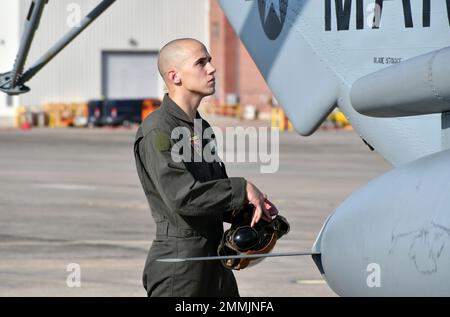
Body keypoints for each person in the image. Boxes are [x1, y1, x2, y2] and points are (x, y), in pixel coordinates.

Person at [133, 38, 278, 297]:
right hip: (181, 266)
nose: (212, 69)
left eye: (209, 61)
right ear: (174, 76)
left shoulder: (200, 129)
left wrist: (251, 210)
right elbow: (183, 196)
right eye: (201, 63)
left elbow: (213, 195)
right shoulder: (158, 129)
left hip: (215, 260)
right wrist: (242, 188)